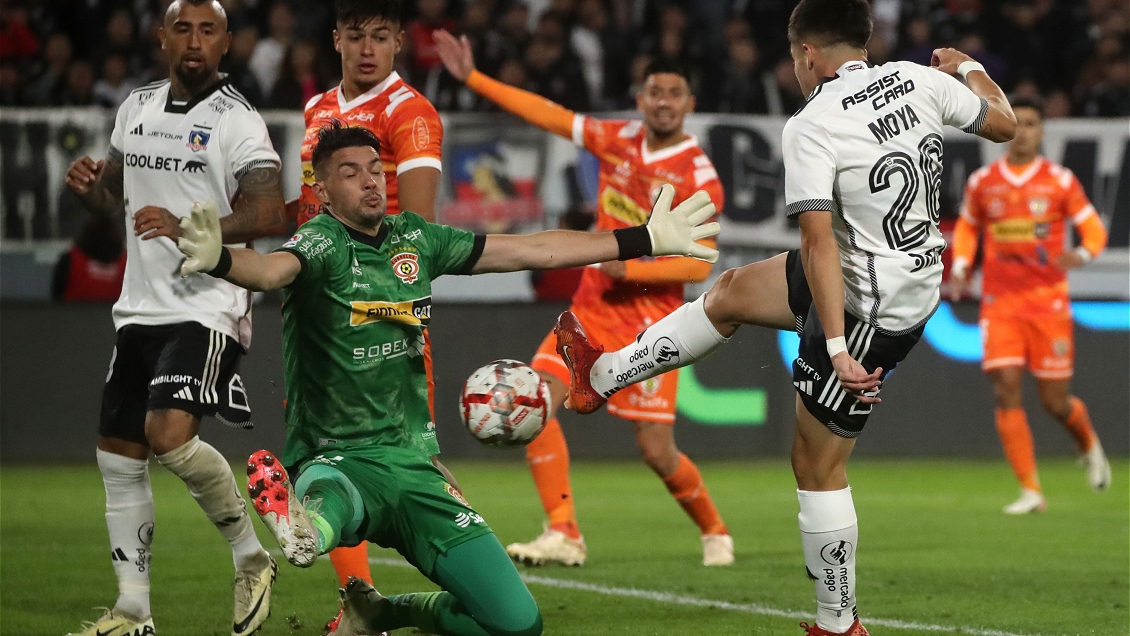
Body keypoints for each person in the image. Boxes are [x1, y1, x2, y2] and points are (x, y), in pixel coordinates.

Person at [550, 1, 1017, 634]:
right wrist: (968, 68)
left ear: (807, 55)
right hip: (895, 272)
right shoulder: (923, 79)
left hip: (867, 307)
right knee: (732, 291)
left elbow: (819, 242)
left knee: (816, 466)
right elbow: (1004, 124)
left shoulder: (812, 122)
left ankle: (839, 620)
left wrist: (834, 345)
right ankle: (600, 377)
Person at [172, 121, 720, 636]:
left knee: (518, 623)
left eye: (374, 169)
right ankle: (303, 528)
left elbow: (533, 248)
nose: (369, 180)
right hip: (337, 456)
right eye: (350, 172)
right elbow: (270, 271)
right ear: (322, 190)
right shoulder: (322, 244)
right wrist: (221, 259)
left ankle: (380, 611)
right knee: (330, 506)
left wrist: (642, 238)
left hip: (414, 465)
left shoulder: (416, 239)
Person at [434, 29, 735, 567]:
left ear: (690, 104)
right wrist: (475, 79)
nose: (663, 102)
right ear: (640, 98)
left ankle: (714, 528)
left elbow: (700, 261)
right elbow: (549, 115)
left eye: (674, 93)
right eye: (654, 91)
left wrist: (636, 264)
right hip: (591, 310)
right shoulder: (615, 138)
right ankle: (564, 531)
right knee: (535, 399)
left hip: (654, 323)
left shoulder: (700, 175)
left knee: (656, 451)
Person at [62, 1, 289, 634]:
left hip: (207, 303)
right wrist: (92, 195)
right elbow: (114, 194)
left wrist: (196, 225)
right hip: (139, 308)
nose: (195, 41)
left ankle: (251, 557)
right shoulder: (134, 107)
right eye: (182, 29)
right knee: (118, 454)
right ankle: (134, 610)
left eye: (208, 30)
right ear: (162, 38)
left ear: (227, 43)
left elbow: (270, 214)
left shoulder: (237, 121)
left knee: (166, 433)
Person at [286, 2, 453, 629]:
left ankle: (471, 566)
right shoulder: (316, 110)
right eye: (355, 36)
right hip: (315, 310)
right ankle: (358, 602)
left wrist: (377, 304)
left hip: (377, 314)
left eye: (380, 37)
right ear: (335, 40)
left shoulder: (409, 113)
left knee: (411, 459)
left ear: (399, 44)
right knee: (329, 455)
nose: (366, 49)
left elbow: (415, 230)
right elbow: (309, 208)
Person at [950, 97, 1111, 514]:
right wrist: (964, 264)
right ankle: (1031, 491)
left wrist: (1084, 255)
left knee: (1056, 402)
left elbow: (1093, 229)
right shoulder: (984, 182)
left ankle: (1088, 443)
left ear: (1042, 131)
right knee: (1005, 388)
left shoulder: (1059, 181)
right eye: (1016, 123)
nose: (1022, 131)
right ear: (1006, 129)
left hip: (1048, 304)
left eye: (1031, 123)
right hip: (1000, 303)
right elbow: (967, 226)